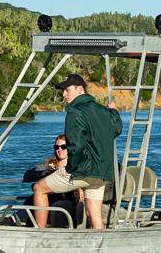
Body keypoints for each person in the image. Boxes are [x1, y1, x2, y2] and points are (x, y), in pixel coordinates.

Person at [32, 73, 121, 230]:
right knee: (94, 215)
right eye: (63, 91)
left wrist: (72, 169)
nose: (64, 95)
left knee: (39, 188)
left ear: (80, 89)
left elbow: (76, 145)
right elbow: (117, 129)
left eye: (67, 90)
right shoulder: (104, 111)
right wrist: (114, 112)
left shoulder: (74, 111)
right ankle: (100, 248)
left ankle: (40, 233)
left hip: (82, 171)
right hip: (102, 173)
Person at [28, 134, 83, 227]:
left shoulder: (76, 165)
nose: (59, 149)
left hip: (68, 198)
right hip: (50, 195)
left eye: (63, 147)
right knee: (32, 197)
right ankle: (16, 220)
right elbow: (29, 174)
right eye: (56, 147)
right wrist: (48, 174)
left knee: (56, 203)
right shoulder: (50, 164)